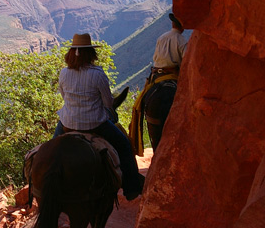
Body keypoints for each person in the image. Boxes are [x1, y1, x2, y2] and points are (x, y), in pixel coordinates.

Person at [56, 33, 145, 201]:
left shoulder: (63, 73)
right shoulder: (98, 74)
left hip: (67, 123)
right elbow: (108, 102)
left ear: (71, 52)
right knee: (124, 145)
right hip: (95, 124)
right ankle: (131, 188)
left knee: (51, 147)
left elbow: (64, 96)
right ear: (91, 53)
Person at [129, 12, 187, 154]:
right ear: (182, 26)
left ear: (173, 23)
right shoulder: (182, 41)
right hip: (172, 76)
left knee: (141, 102)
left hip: (156, 76)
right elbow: (186, 63)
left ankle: (136, 140)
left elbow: (156, 57)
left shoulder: (162, 38)